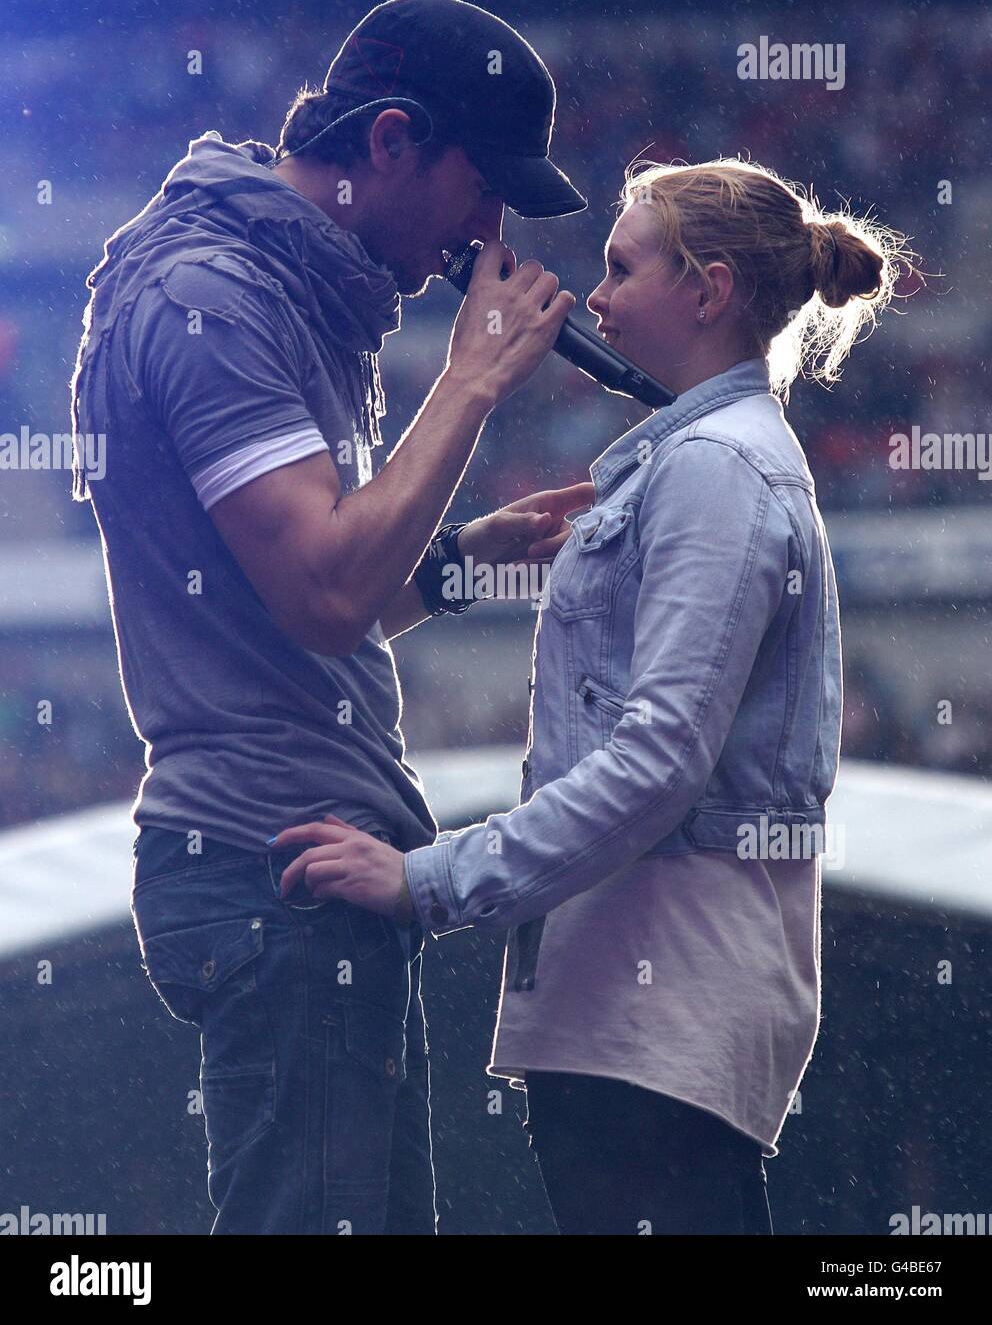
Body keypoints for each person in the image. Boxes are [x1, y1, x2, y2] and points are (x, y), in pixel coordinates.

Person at [272, 156, 911, 1234]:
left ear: (707, 291)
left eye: (619, 269)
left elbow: (657, 762)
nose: (593, 298)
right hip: (637, 1018)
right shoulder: (704, 458)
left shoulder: (717, 468)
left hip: (652, 1018)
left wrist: (423, 881)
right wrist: (464, 567)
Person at [68, 0, 592, 1235]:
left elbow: (300, 617)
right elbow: (320, 594)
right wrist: (469, 380)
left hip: (301, 865)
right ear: (393, 143)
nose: (488, 229)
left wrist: (458, 561)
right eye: (481, 186)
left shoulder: (277, 284)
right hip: (274, 871)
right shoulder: (213, 297)